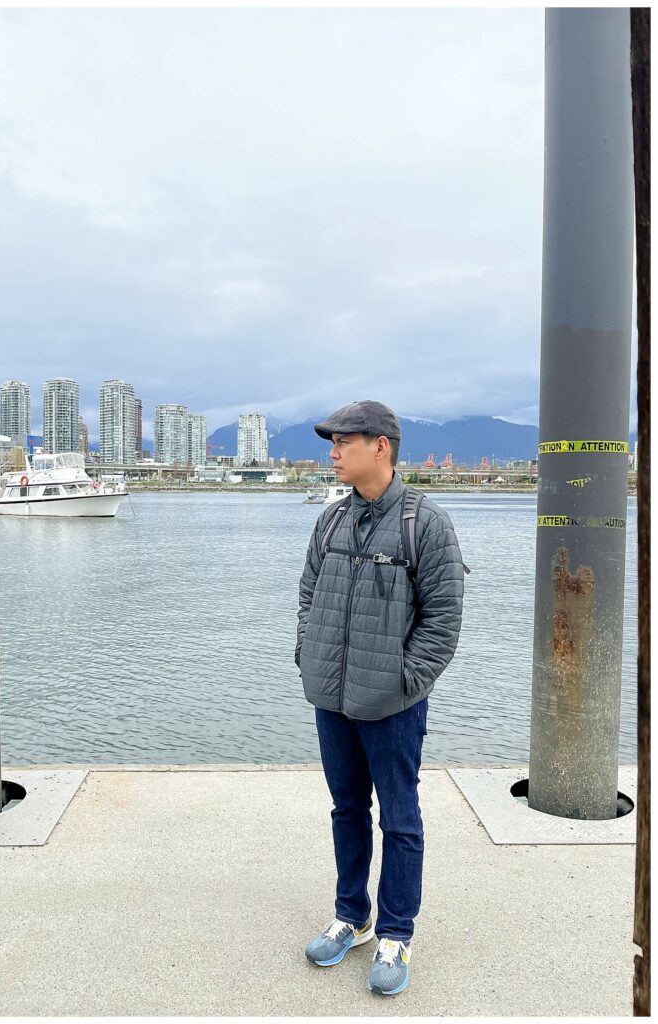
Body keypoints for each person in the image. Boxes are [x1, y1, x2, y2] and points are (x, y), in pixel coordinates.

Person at [296, 400, 465, 997]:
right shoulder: (332, 521)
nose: (333, 453)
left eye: (344, 442)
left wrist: (405, 680)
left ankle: (396, 932)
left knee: (400, 819)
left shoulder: (426, 522)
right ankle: (352, 915)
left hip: (392, 703)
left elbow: (443, 620)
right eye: (333, 443)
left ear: (381, 447)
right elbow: (309, 595)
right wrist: (307, 657)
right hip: (331, 698)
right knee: (346, 809)